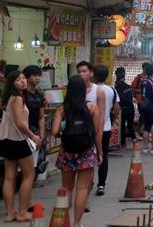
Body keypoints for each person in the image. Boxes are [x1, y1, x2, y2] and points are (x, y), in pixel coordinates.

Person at [52, 75, 101, 227]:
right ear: (83, 90)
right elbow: (97, 132)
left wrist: (64, 131)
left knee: (67, 188)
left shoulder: (62, 109)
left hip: (67, 152)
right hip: (86, 152)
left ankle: (62, 222)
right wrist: (100, 153)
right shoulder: (92, 107)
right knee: (82, 188)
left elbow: (54, 132)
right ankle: (77, 223)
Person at [0, 70, 41, 222]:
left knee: (10, 177)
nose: (22, 81)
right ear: (12, 83)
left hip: (5, 140)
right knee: (29, 175)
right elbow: (21, 123)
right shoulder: (17, 98)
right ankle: (22, 212)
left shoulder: (8, 97)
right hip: (17, 140)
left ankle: (10, 213)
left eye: (23, 78)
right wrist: (33, 136)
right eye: (18, 79)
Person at [93, 65, 119, 196]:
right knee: (103, 155)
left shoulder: (91, 89)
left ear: (93, 75)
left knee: (89, 155)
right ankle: (101, 184)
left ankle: (87, 182)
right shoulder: (112, 90)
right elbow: (116, 107)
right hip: (106, 127)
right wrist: (113, 122)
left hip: (91, 129)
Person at [23, 66, 46, 175]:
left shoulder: (40, 95)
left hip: (35, 133)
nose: (38, 78)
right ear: (27, 77)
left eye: (39, 75)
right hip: (22, 133)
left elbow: (41, 117)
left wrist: (41, 136)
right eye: (35, 75)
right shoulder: (21, 95)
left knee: (33, 167)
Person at [138, 63, 153, 154]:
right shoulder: (152, 82)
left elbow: (142, 94)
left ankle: (145, 147)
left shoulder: (143, 81)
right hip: (152, 106)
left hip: (144, 105)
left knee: (146, 126)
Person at [114, 67, 135, 148]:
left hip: (123, 109)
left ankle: (123, 143)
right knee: (130, 126)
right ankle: (134, 141)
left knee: (122, 126)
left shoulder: (117, 86)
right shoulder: (128, 86)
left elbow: (119, 99)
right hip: (131, 108)